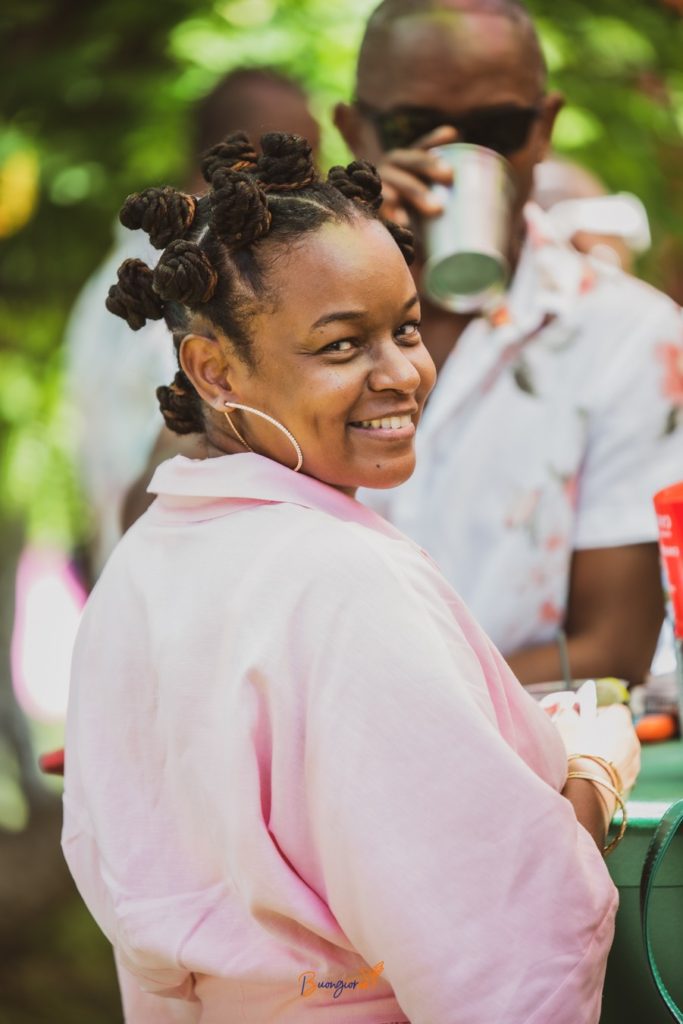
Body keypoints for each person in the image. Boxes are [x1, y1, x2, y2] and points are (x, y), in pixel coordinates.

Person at [63, 130, 639, 1023]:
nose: (403, 373)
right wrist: (594, 773)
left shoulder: (141, 567)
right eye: (341, 346)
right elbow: (491, 937)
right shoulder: (341, 581)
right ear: (214, 370)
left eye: (405, 328)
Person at [334, 0, 683, 685]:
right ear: (352, 130)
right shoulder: (277, 317)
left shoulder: (631, 339)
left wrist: (373, 706)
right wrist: (337, 272)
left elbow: (611, 650)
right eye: (412, 129)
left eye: (497, 129)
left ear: (543, 129)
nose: (451, 159)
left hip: (512, 748)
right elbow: (162, 527)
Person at [64, 68, 321, 579]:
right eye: (302, 164)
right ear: (247, 163)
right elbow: (170, 475)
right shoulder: (199, 282)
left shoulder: (116, 280)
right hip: (186, 579)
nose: (317, 191)